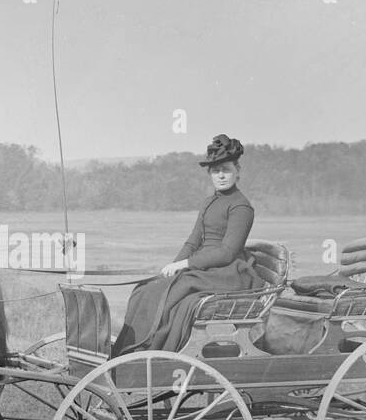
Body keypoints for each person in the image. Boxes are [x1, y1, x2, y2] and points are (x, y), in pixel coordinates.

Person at [111, 135, 259, 356]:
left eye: (226, 169)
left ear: (237, 171)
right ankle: (135, 350)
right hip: (206, 268)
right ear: (209, 173)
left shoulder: (241, 207)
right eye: (215, 170)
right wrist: (173, 267)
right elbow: (193, 241)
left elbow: (227, 253)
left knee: (176, 295)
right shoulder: (209, 202)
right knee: (145, 290)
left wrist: (186, 265)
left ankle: (160, 351)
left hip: (227, 272)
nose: (220, 175)